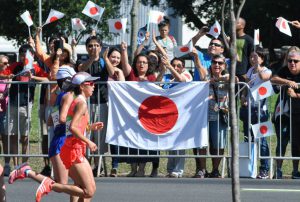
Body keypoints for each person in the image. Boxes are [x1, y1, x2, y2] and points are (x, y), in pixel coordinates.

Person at [9, 72, 104, 202]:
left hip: (70, 144)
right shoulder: (71, 99)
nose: (94, 86)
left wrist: (88, 127)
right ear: (81, 86)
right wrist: (88, 141)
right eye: (91, 84)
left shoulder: (71, 98)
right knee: (73, 187)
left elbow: (67, 123)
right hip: (67, 145)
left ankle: (32, 175)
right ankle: (35, 176)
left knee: (82, 188)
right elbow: (65, 123)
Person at [0, 44, 49, 167]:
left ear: (32, 56)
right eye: (22, 55)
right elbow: (2, 73)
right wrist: (7, 76)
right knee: (13, 135)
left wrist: (33, 77)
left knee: (25, 137)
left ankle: (24, 165)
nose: (24, 58)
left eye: (26, 55)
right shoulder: (15, 66)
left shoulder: (35, 68)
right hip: (12, 104)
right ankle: (16, 165)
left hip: (27, 105)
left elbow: (47, 79)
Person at [121, 41, 156, 176]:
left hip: (146, 115)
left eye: (144, 62)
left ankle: (141, 169)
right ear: (135, 64)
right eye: (139, 62)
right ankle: (133, 168)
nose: (141, 64)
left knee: (143, 143)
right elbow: (125, 66)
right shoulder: (132, 76)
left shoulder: (152, 77)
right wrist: (124, 51)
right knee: (132, 141)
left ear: (148, 65)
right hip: (131, 114)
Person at [194, 53, 230, 178]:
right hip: (203, 114)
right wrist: (196, 57)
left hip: (220, 115)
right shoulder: (206, 75)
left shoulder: (227, 76)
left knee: (218, 144)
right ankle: (202, 169)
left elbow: (234, 79)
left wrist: (218, 79)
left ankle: (215, 170)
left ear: (224, 65)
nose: (217, 65)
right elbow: (199, 66)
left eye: (220, 63)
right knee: (202, 143)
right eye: (214, 62)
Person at [77, 35, 109, 177]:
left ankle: (99, 165)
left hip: (101, 102)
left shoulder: (104, 62)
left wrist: (105, 58)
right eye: (90, 46)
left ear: (100, 47)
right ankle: (85, 163)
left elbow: (113, 73)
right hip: (85, 104)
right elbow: (81, 70)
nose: (93, 48)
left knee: (99, 135)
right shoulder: (82, 61)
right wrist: (92, 57)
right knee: (85, 133)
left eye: (96, 45)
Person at [156, 55, 193, 178]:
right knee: (170, 142)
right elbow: (156, 84)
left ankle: (178, 170)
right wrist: (163, 69)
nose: (176, 68)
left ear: (183, 68)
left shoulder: (186, 75)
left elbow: (182, 81)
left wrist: (170, 67)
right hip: (167, 115)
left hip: (181, 115)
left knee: (179, 143)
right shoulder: (166, 77)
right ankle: (170, 168)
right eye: (174, 65)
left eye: (179, 66)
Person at [239, 47, 272, 179]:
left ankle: (264, 168)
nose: (252, 59)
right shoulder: (250, 70)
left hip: (261, 111)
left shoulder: (267, 70)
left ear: (262, 58)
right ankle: (249, 167)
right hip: (249, 109)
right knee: (248, 139)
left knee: (262, 141)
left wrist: (258, 67)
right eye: (251, 56)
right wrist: (242, 96)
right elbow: (246, 85)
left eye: (255, 56)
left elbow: (264, 77)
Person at [271, 48, 300, 179]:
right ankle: (278, 170)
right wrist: (288, 82)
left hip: (298, 114)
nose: (292, 63)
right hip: (284, 113)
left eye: (295, 61)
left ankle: (295, 170)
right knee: (282, 142)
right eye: (290, 61)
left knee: (297, 144)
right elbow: (273, 79)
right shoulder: (284, 70)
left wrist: (296, 95)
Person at [48, 66, 76, 184]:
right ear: (68, 80)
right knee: (62, 183)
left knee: (78, 182)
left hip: (58, 139)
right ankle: (27, 172)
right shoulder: (69, 96)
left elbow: (50, 121)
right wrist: (76, 125)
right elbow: (62, 118)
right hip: (63, 141)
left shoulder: (60, 96)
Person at [0, 55, 10, 176]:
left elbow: (8, 90)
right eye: (4, 63)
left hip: (4, 110)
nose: (7, 65)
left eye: (8, 63)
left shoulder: (8, 76)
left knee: (5, 137)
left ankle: (7, 164)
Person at [236, 17, 254, 82]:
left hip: (243, 73)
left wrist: (248, 72)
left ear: (242, 26)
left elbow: (252, 56)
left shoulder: (249, 40)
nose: (234, 24)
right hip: (231, 72)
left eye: (236, 23)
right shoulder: (230, 39)